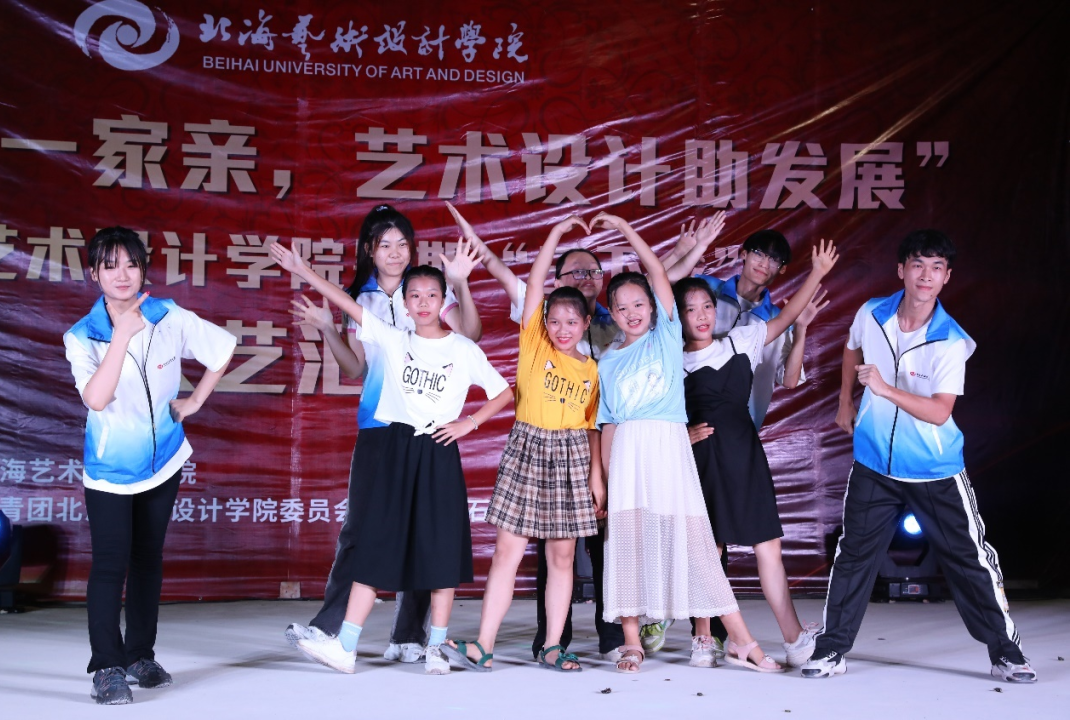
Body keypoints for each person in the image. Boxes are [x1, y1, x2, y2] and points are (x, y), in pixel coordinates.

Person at [802, 230, 1036, 683]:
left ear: (947, 277)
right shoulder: (872, 313)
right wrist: (845, 402)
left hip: (934, 469)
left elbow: (939, 411)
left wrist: (884, 389)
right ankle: (831, 649)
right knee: (853, 556)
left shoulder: (951, 341)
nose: (925, 276)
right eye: (917, 265)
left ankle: (1006, 652)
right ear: (901, 270)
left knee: (970, 560)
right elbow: (852, 347)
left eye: (936, 268)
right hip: (874, 463)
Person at [270, 241, 512, 675]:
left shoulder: (462, 349)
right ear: (404, 303)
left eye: (432, 295)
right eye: (414, 295)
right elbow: (345, 301)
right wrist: (302, 270)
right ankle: (345, 646)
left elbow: (504, 392)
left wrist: (468, 424)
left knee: (437, 551)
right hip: (396, 448)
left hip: (438, 451)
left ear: (444, 300)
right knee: (375, 545)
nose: (423, 302)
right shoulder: (393, 339)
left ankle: (435, 649)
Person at [591, 211, 782, 674]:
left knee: (698, 545)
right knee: (628, 545)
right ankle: (632, 642)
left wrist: (626, 229)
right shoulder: (609, 360)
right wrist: (605, 480)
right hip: (629, 455)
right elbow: (608, 423)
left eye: (640, 303)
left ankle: (741, 640)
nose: (633, 313)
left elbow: (658, 273)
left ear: (653, 307)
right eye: (622, 307)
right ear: (612, 313)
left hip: (670, 449)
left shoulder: (666, 336)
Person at [447, 202, 626, 661]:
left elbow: (592, 428)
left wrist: (597, 476)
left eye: (572, 322)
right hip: (528, 446)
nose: (563, 329)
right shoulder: (534, 341)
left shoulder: (594, 371)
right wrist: (555, 233)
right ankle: (484, 644)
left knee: (562, 558)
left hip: (573, 456)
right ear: (543, 321)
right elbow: (536, 278)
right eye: (555, 321)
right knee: (506, 553)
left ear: (586, 324)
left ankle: (551, 646)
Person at [64, 227, 235, 704]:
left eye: (131, 264)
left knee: (147, 559)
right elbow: (97, 398)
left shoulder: (168, 316)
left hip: (164, 461)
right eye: (110, 265)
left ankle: (140, 655)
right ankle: (107, 666)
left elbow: (222, 348)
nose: (122, 274)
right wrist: (120, 335)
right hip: (111, 470)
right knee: (109, 563)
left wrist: (195, 401)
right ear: (94, 274)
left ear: (143, 269)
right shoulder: (81, 336)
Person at [654, 223, 825, 664]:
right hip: (702, 458)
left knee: (769, 547)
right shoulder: (669, 360)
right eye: (690, 309)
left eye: (707, 307)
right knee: (708, 550)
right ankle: (704, 638)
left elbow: (788, 317)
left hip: (746, 453)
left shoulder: (743, 339)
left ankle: (794, 639)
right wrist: (680, 437)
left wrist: (817, 273)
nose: (702, 315)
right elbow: (651, 415)